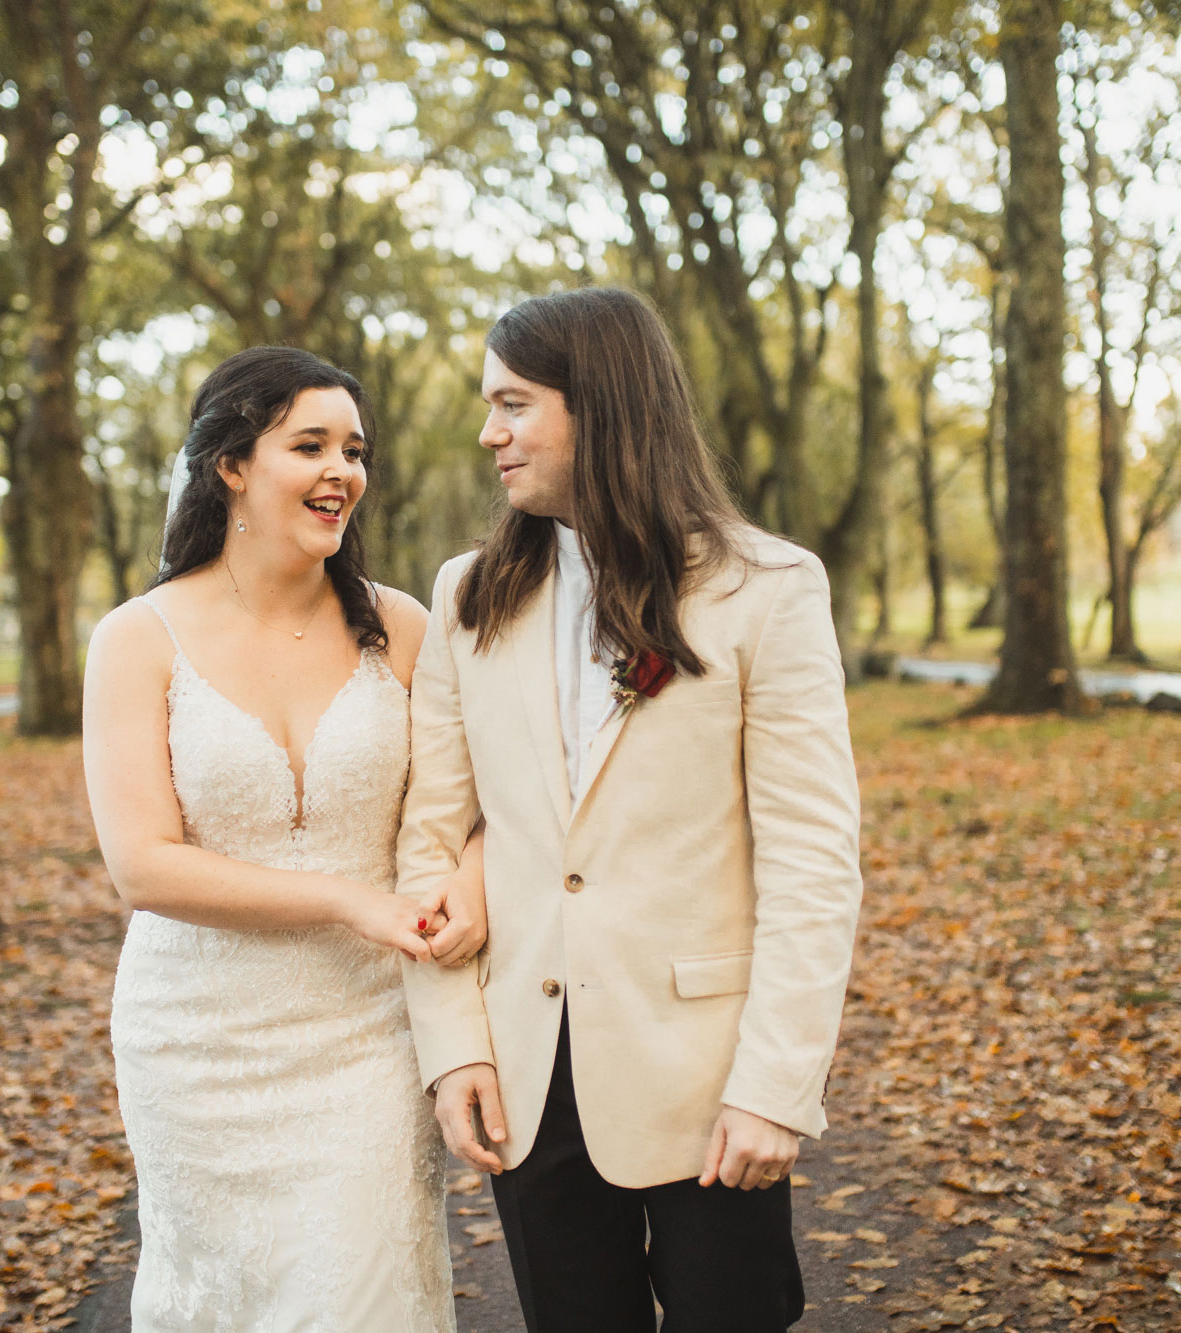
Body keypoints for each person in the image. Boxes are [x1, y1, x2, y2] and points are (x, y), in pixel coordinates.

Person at [398, 287, 864, 1331]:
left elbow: (811, 859)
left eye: (513, 403)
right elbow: (425, 841)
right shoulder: (466, 596)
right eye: (488, 406)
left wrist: (776, 1085)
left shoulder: (765, 590)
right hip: (526, 1069)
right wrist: (455, 1046)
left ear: (597, 404)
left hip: (705, 1076)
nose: (489, 433)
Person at [81, 346, 485, 1332]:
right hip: (195, 1043)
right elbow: (143, 863)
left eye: (354, 449)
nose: (341, 470)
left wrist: (471, 885)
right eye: (309, 445)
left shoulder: (401, 627)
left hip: (367, 1036)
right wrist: (351, 900)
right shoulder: (137, 637)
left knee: (360, 1302)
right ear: (230, 464)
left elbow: (476, 810)